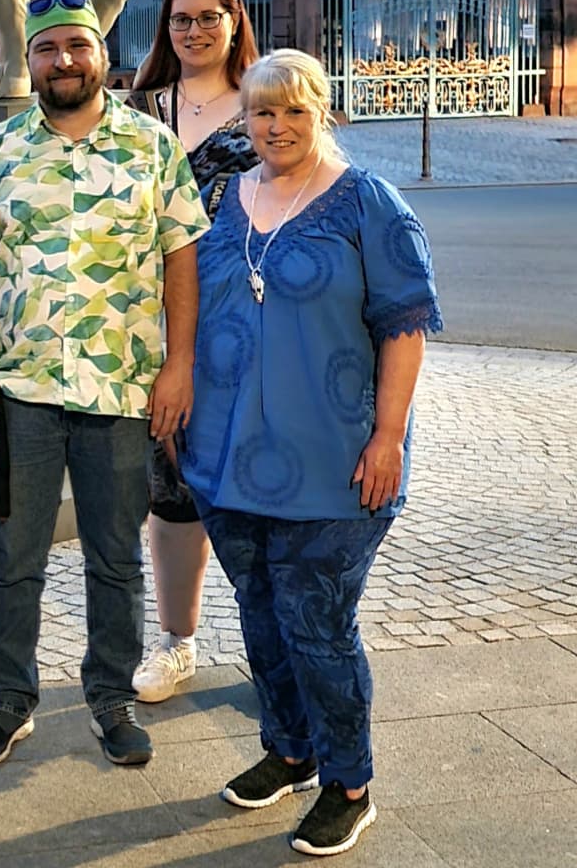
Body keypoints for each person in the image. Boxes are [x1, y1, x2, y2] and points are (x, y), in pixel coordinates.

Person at [181, 50, 442, 857]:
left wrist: (389, 437)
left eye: (293, 110)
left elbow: (403, 326)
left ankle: (348, 782)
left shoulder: (370, 202)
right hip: (228, 460)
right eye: (262, 112)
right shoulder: (226, 199)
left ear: (321, 111)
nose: (276, 126)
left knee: (316, 621)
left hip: (336, 462)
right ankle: (289, 749)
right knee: (260, 612)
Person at [0, 0, 209, 768]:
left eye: (76, 46)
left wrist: (179, 365)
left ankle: (112, 697)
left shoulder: (153, 148)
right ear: (28, 62)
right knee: (12, 554)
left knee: (115, 557)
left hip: (123, 392)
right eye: (46, 49)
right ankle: (8, 700)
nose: (63, 60)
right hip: (18, 392)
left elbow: (180, 260)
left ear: (102, 54)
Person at [126, 0, 260, 704]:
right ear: (165, 28)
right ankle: (177, 642)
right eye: (182, 18)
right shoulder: (139, 109)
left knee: (254, 478)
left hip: (249, 318)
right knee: (170, 486)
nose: (196, 30)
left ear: (235, 20)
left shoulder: (267, 99)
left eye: (210, 16)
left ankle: (273, 637)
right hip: (155, 321)